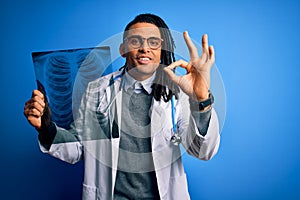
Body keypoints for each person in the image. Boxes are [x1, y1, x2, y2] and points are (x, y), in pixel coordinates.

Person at [24, 13, 220, 200]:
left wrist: (201, 99)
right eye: (136, 41)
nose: (145, 48)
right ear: (123, 49)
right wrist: (46, 127)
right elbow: (78, 148)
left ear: (162, 51)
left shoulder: (177, 93)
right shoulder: (97, 90)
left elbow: (203, 151)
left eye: (153, 42)